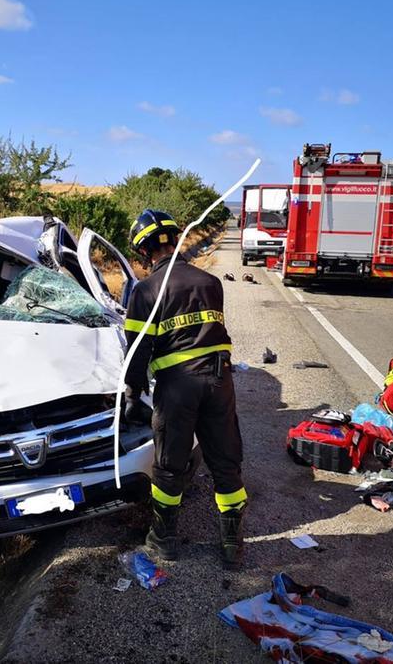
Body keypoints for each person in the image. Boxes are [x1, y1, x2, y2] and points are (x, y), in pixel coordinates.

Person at [121, 209, 247, 569]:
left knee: (169, 465)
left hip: (178, 387)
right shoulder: (211, 283)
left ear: (144, 252)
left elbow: (137, 351)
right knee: (226, 462)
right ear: (176, 240)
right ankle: (231, 546)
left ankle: (163, 542)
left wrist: (132, 395)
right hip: (220, 382)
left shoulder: (145, 292)